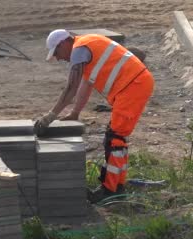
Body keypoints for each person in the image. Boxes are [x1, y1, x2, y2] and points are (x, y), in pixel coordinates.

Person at [34, 29, 154, 203]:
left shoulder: (79, 49)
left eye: (57, 53)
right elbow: (85, 85)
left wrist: (50, 116)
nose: (59, 58)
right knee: (117, 139)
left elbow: (71, 88)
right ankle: (117, 187)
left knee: (114, 139)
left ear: (63, 43)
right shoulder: (88, 46)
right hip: (134, 85)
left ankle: (110, 191)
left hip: (133, 86)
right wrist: (75, 112)